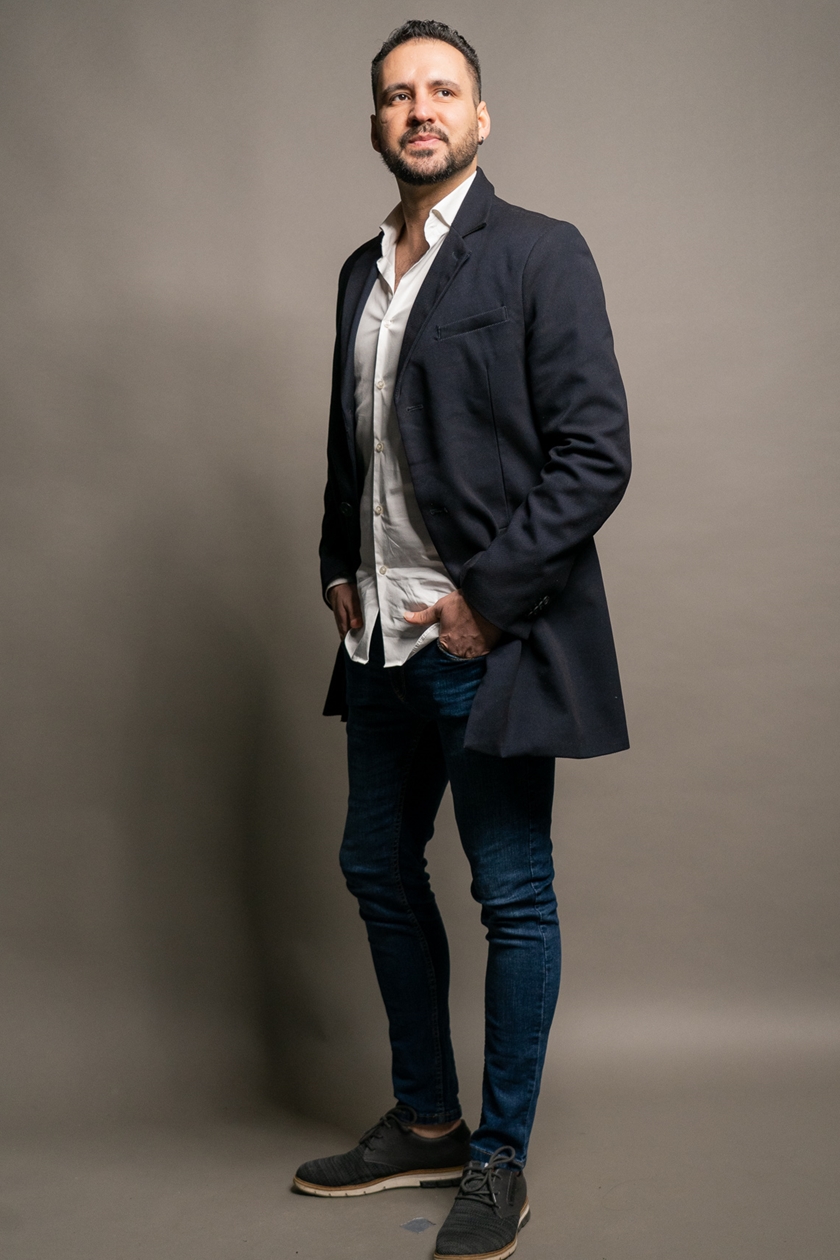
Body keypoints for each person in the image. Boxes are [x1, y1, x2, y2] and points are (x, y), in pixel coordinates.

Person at [294, 20, 630, 1260]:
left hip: (483, 641)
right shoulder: (359, 272)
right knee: (376, 867)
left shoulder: (541, 253)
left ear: (481, 119)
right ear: (377, 124)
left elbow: (596, 452)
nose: (420, 109)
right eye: (398, 95)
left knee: (512, 892)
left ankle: (498, 1159)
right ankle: (428, 1120)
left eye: (443, 91)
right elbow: (360, 441)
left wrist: (488, 597)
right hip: (380, 642)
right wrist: (337, 560)